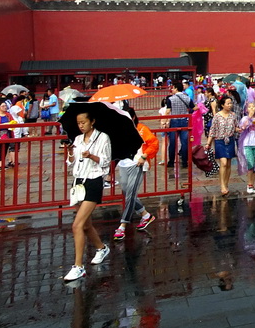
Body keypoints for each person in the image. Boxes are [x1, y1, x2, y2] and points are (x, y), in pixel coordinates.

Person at [64, 109, 113, 281]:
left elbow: (106, 161)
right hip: (78, 182)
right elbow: (71, 163)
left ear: (92, 121)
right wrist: (70, 152)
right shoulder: (77, 139)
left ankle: (78, 266)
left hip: (93, 181)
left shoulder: (103, 138)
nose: (81, 125)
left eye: (83, 122)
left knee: (77, 225)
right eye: (78, 123)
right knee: (85, 225)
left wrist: (91, 155)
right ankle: (101, 248)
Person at [112, 106, 159, 241]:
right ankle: (145, 215)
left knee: (131, 194)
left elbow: (154, 143)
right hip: (123, 164)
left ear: (132, 117)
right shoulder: (118, 130)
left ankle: (122, 226)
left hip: (137, 164)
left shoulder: (142, 129)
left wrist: (144, 156)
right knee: (127, 192)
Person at [207, 95, 238, 196]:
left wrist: (241, 128)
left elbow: (235, 127)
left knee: (228, 163)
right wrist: (208, 143)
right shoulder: (217, 116)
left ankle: (226, 183)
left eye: (231, 103)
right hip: (219, 141)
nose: (230, 105)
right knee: (223, 162)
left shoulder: (233, 115)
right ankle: (222, 185)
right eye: (228, 103)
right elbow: (212, 129)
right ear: (222, 105)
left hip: (230, 140)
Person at [237, 101, 255, 194]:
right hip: (247, 144)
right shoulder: (245, 118)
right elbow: (242, 128)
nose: (252, 108)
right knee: (250, 164)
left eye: (253, 107)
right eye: (250, 107)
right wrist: (249, 118)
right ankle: (249, 184)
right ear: (246, 109)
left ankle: (252, 184)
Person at [165, 81, 192, 169]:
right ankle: (185, 162)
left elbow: (168, 111)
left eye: (173, 88)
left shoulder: (170, 99)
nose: (172, 89)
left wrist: (164, 120)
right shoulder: (187, 98)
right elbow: (194, 107)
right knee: (184, 142)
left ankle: (171, 162)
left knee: (172, 142)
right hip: (185, 121)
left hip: (174, 121)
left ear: (176, 88)